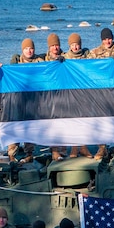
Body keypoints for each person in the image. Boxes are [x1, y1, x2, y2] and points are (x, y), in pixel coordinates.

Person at [87, 27, 114, 159]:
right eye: (105, 39)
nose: (107, 41)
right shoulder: (94, 53)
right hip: (100, 92)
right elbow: (84, 66)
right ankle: (102, 148)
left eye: (109, 38)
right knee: (100, 120)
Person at [7, 38, 45, 162]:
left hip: (34, 100)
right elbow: (9, 75)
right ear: (22, 50)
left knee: (30, 127)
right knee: (16, 126)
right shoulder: (17, 62)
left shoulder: (40, 61)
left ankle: (29, 153)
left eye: (31, 48)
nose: (29, 51)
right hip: (19, 101)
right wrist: (3, 68)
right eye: (26, 49)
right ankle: (12, 154)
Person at [43, 33, 66, 161]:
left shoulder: (66, 58)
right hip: (49, 97)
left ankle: (63, 150)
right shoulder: (43, 61)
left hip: (64, 95)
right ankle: (55, 151)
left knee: (64, 123)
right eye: (52, 45)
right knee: (52, 125)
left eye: (57, 45)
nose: (55, 48)